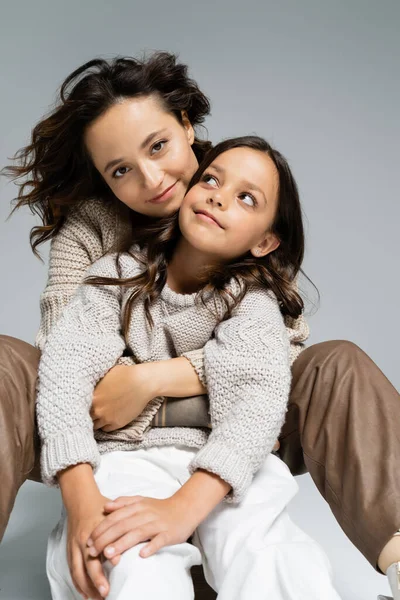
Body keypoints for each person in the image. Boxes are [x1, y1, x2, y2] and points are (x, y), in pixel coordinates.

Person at [1, 52, 399, 599]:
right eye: (120, 170)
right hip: (113, 442)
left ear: (187, 125)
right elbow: (63, 356)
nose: (153, 179)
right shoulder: (99, 244)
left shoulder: (237, 189)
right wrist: (81, 496)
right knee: (9, 363)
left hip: (235, 432)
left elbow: (276, 354)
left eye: (158, 146)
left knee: (337, 363)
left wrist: (152, 380)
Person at [37, 135, 341, 600]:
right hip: (128, 457)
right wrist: (80, 496)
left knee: (270, 552)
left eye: (246, 198)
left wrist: (183, 507)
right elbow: (65, 374)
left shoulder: (252, 302)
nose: (219, 195)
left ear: (265, 241)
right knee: (133, 558)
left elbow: (254, 408)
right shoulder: (114, 276)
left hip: (224, 466)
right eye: (211, 179)